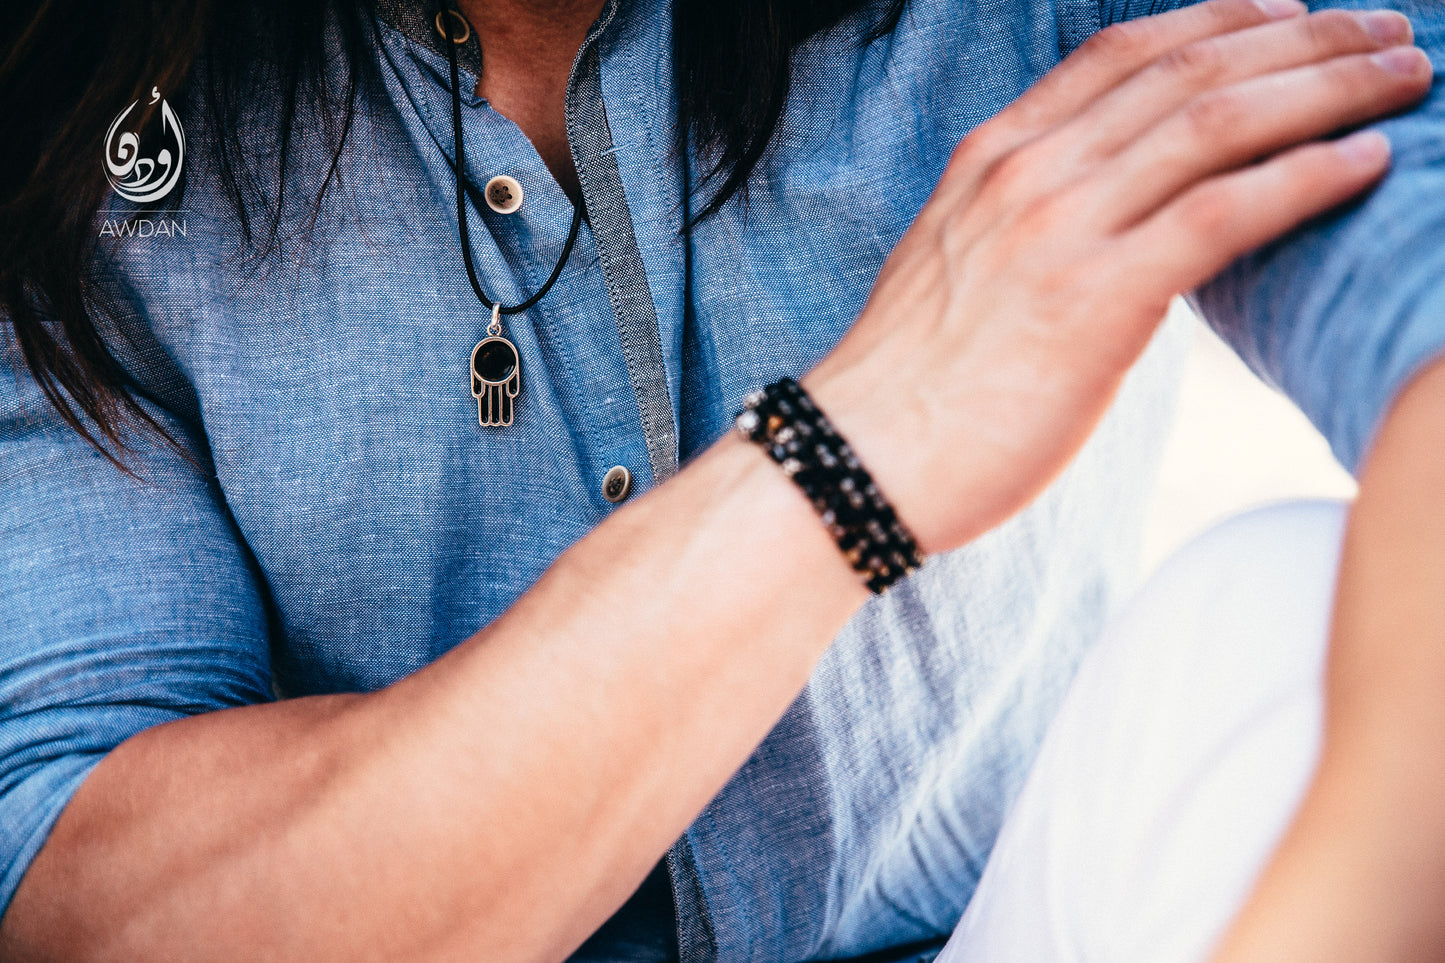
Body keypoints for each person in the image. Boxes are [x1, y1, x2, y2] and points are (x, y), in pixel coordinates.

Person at [0, 0, 1439, 959]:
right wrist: (845, 458)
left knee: (1278, 615)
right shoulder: (65, 111)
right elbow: (92, 901)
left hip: (1002, 925)